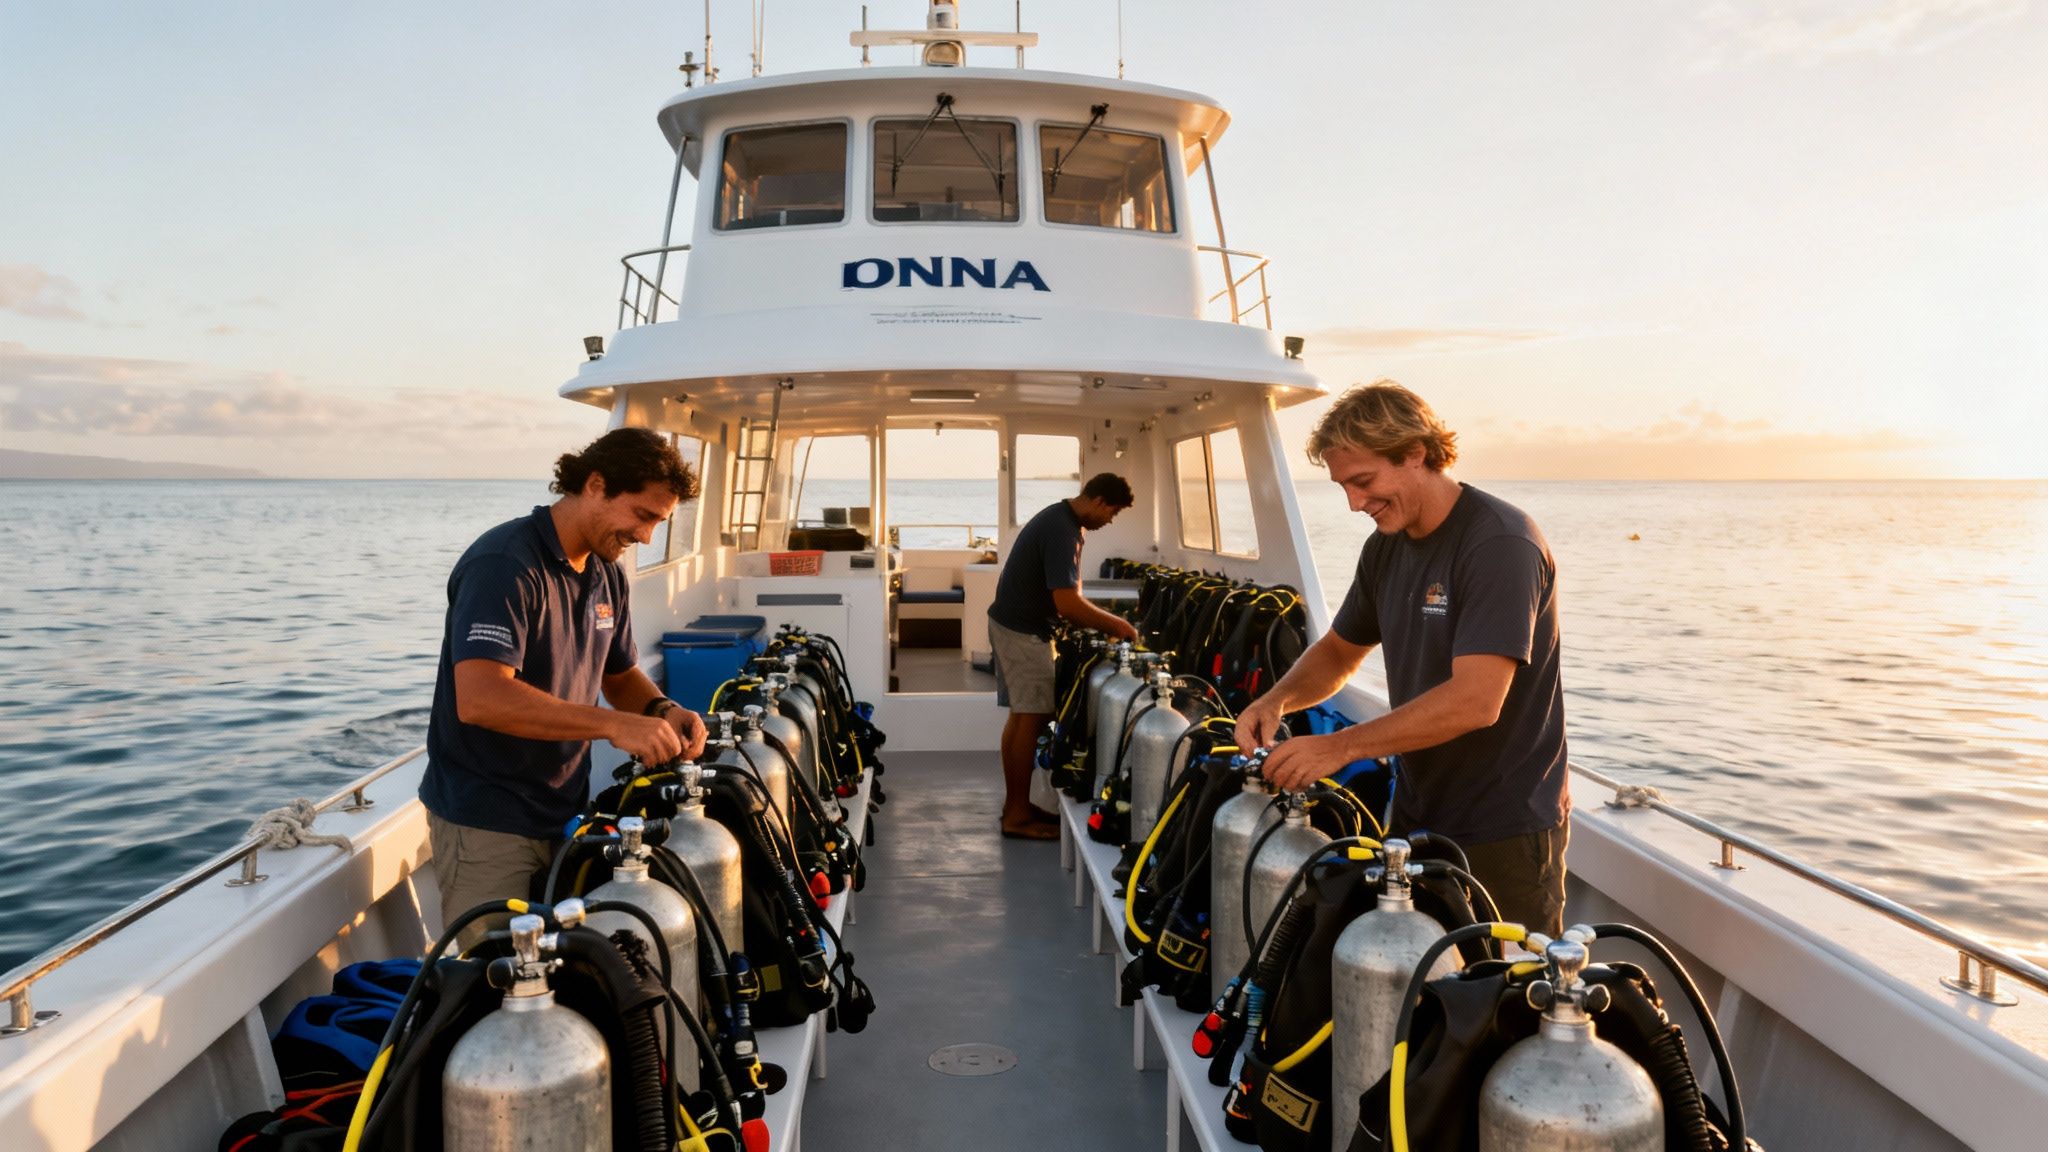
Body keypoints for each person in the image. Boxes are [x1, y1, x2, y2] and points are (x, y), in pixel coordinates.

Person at [1234, 382, 1570, 935]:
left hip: (1503, 829)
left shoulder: (1500, 543)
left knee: (1498, 1006)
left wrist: (1337, 747)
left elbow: (1476, 701)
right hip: (1416, 814)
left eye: (1364, 481)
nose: (1354, 503)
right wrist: (1275, 701)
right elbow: (1341, 650)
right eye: (1344, 486)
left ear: (1416, 453)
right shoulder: (1386, 546)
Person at [420, 427, 709, 928]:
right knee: (495, 986)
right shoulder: (504, 565)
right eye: (642, 516)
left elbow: (618, 674)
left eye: (657, 524)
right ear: (595, 484)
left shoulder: (606, 572)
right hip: (488, 822)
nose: (645, 537)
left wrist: (663, 710)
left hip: (566, 815)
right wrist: (612, 726)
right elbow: (481, 698)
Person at [987, 472, 1140, 839]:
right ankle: (1017, 817)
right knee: (1033, 717)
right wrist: (1119, 626)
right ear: (1100, 502)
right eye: (1113, 513)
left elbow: (1069, 590)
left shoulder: (1063, 521)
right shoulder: (1062, 529)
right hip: (1023, 631)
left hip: (1013, 624)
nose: (1110, 521)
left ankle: (1016, 806)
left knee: (1022, 717)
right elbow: (1067, 602)